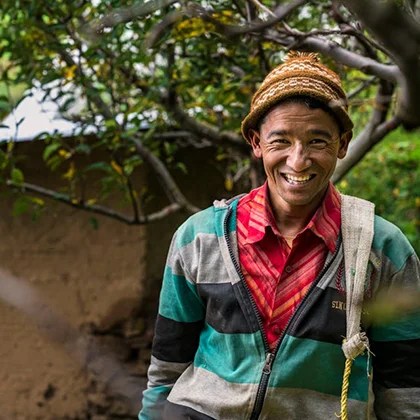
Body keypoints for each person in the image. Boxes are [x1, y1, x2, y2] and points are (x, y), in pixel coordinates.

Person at [139, 52, 420, 420]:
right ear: (256, 143)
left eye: (318, 142)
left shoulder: (382, 250)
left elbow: (405, 389)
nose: (298, 160)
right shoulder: (199, 238)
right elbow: (165, 371)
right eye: (281, 141)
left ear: (343, 143)